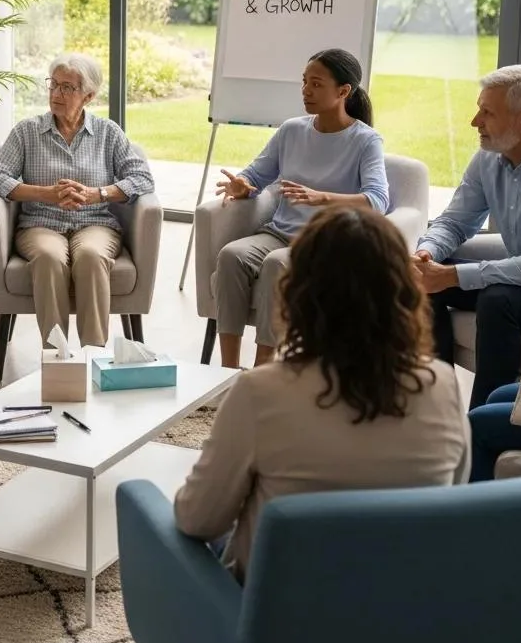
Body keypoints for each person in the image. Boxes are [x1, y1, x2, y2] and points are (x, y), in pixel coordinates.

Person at [174, 205, 470, 583]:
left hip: (276, 619)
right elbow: (451, 499)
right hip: (400, 609)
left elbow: (197, 518)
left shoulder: (259, 392)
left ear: (298, 293)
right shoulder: (444, 385)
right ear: (403, 293)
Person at [213, 48, 389, 369]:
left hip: (325, 242)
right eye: (304, 82)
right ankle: (226, 371)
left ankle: (262, 370)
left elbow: (377, 200)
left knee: (275, 265)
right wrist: (242, 185)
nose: (306, 91)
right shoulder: (292, 129)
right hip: (280, 232)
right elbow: (256, 174)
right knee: (230, 256)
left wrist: (321, 197)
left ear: (343, 91)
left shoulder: (366, 141)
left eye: (317, 84)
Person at [0, 53, 155, 348]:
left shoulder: (108, 133)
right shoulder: (26, 132)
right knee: (49, 258)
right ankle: (57, 359)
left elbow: (142, 179)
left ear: (88, 96)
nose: (56, 94)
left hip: (96, 224)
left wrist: (97, 194)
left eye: (67, 88)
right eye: (54, 85)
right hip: (40, 224)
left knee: (91, 256)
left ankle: (93, 356)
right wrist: (43, 193)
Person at [413, 64, 521, 410]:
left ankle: (484, 419)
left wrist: (453, 276)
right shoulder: (488, 159)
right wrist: (426, 256)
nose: (475, 121)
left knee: (497, 300)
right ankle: (436, 409)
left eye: (487, 112)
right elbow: (455, 222)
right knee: (422, 280)